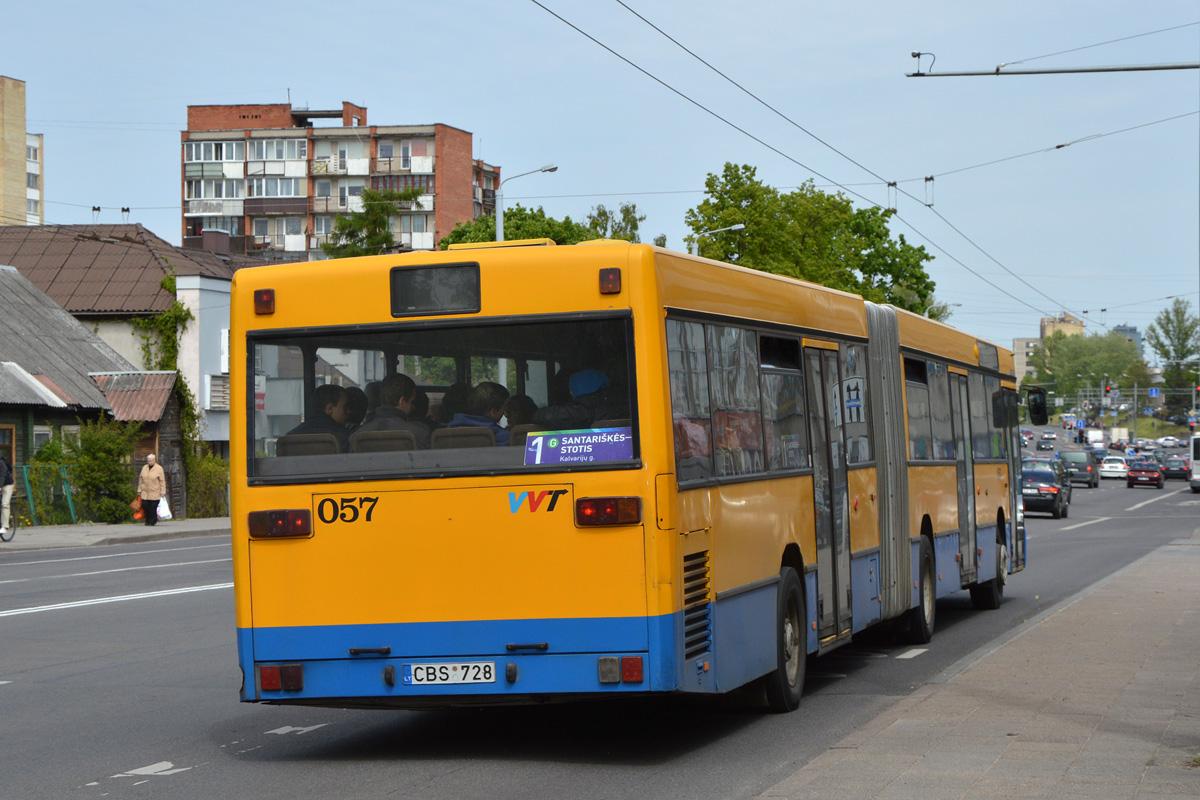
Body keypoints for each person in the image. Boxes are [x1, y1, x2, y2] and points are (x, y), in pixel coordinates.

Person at [350, 373, 432, 450]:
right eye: (412, 401)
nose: (413, 407)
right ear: (402, 402)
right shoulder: (421, 434)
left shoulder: (355, 437)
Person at [531, 368, 628, 430]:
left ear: (579, 388)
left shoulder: (585, 408)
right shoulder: (626, 404)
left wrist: (536, 413)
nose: (570, 393)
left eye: (571, 389)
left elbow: (548, 416)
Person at [284, 384, 350, 451]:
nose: (349, 411)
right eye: (345, 407)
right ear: (330, 409)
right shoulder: (345, 437)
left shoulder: (288, 438)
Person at [137, 453, 167, 527]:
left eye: (150, 461)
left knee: (153, 507)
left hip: (155, 492)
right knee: (145, 505)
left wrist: (163, 491)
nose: (149, 462)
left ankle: (152, 521)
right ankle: (147, 520)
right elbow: (141, 479)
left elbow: (162, 481)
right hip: (145, 491)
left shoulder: (159, 468)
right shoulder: (144, 468)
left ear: (154, 460)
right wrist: (139, 489)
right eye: (148, 461)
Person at [0, 454, 13, 536]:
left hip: (7, 484)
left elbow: (3, 475)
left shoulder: (1, 463)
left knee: (5, 504)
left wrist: (0, 486)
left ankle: (5, 526)